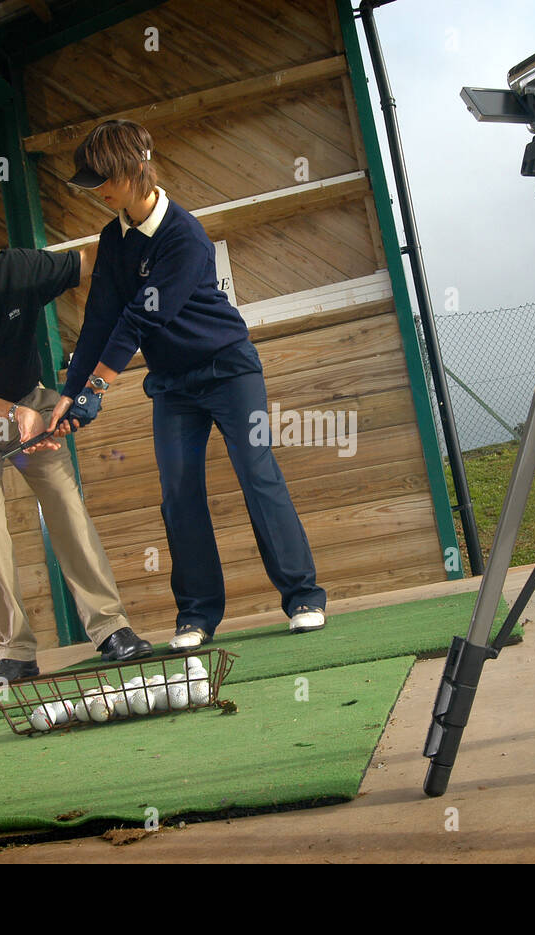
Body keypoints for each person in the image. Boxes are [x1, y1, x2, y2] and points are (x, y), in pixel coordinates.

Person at [47, 120, 326, 651]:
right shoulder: (113, 239)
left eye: (103, 179)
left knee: (256, 473)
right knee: (178, 495)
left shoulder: (184, 235)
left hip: (228, 369)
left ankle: (303, 596)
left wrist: (98, 391)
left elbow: (140, 320)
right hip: (173, 385)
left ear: (132, 170)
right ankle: (197, 614)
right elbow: (100, 321)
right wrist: (69, 394)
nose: (98, 191)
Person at [0, 198, 152, 688]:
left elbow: (88, 260)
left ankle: (111, 630)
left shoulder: (15, 267)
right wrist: (17, 414)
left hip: (29, 400)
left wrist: (143, 232)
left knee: (66, 507)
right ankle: (15, 651)